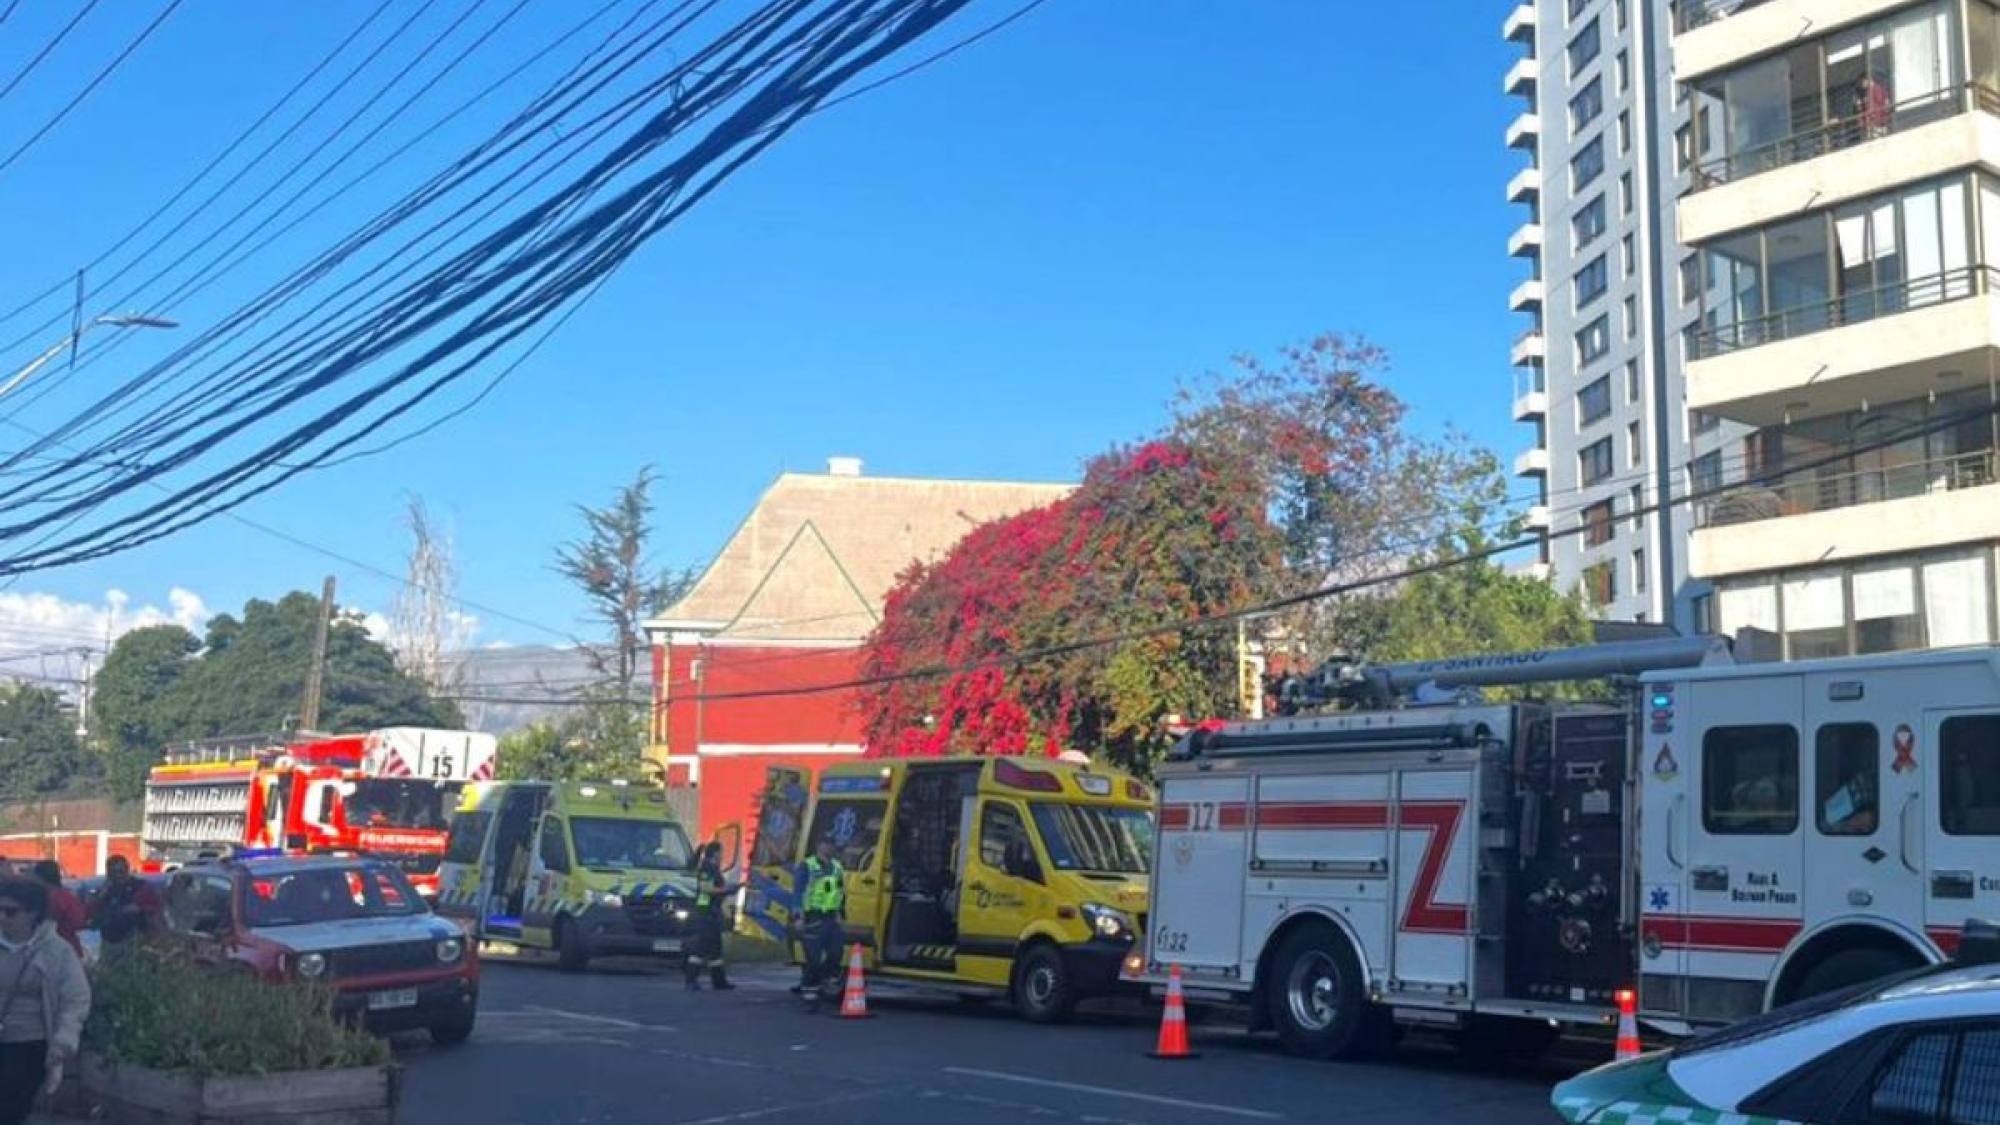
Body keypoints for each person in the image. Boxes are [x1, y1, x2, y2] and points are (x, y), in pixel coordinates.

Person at [0, 877, 90, 1125]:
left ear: (33, 914)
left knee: (10, 1108)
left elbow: (75, 999)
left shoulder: (57, 951)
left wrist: (64, 1041)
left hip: (30, 1043)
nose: (3, 917)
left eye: (10, 911)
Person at [791, 836, 846, 1009]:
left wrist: (840, 912)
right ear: (819, 846)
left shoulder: (837, 866)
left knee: (836, 953)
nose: (829, 848)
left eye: (831, 845)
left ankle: (824, 980)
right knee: (813, 958)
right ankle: (809, 992)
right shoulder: (807, 866)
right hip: (812, 917)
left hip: (831, 917)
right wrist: (798, 916)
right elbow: (798, 892)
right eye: (826, 844)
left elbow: (839, 891)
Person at [682, 842, 734, 992]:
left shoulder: (713, 869)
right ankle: (690, 980)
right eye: (721, 852)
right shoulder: (707, 868)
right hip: (705, 913)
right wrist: (727, 889)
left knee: (716, 950)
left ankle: (719, 982)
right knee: (701, 948)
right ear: (715, 853)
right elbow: (706, 888)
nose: (722, 855)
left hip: (712, 912)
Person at [90, 857, 162, 947]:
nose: (118, 876)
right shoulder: (105, 890)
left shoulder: (141, 887)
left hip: (137, 940)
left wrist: (139, 909)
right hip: (110, 940)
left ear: (127, 869)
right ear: (108, 874)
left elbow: (156, 910)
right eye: (113, 873)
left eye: (121, 871)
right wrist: (100, 896)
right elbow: (92, 914)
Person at [26, 866, 82, 961]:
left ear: (40, 878)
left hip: (55, 950)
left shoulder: (49, 897)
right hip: (67, 946)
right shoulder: (67, 895)